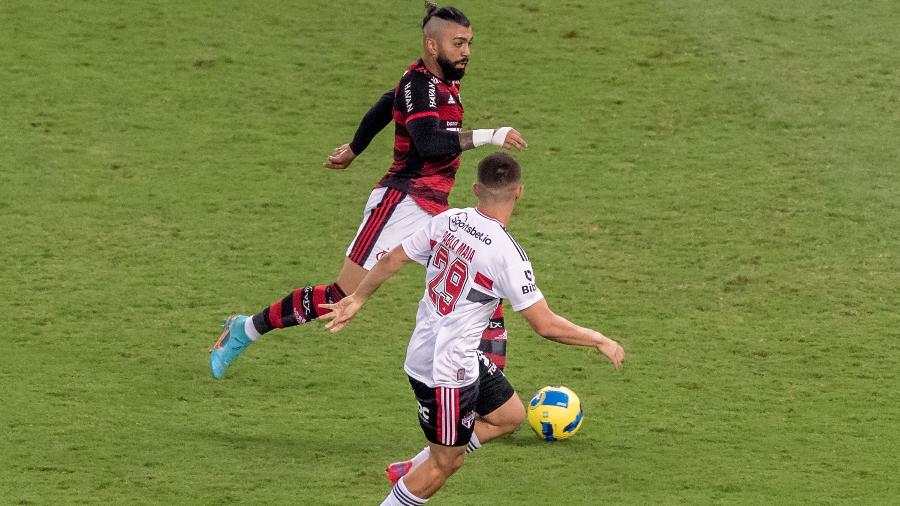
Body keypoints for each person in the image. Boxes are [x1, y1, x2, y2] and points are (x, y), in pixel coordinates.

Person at [209, 3, 528, 379]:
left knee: (479, 276)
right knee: (340, 297)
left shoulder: (441, 78)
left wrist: (355, 148)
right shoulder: (420, 84)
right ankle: (243, 329)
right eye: (458, 43)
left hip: (433, 205)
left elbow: (385, 103)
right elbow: (428, 143)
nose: (466, 52)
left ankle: (490, 393)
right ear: (431, 45)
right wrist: (492, 135)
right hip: (400, 202)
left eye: (469, 43)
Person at [319, 153, 625, 505]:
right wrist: (598, 339)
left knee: (508, 416)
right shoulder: (508, 255)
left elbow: (392, 258)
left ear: (476, 188)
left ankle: (414, 466)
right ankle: (413, 481)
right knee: (447, 464)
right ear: (520, 192)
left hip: (435, 350)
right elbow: (545, 324)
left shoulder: (449, 219)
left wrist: (358, 297)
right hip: (448, 371)